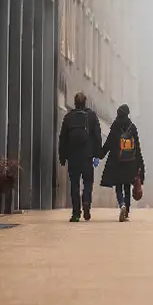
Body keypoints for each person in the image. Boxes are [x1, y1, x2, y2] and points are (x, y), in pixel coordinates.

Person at [58, 91, 102, 223]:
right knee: (88, 182)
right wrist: (97, 155)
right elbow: (97, 137)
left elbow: (63, 139)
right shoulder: (92, 116)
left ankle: (76, 213)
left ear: (75, 103)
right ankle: (87, 201)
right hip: (87, 157)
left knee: (74, 185)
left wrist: (62, 156)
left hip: (73, 157)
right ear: (85, 102)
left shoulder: (68, 117)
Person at [100, 103, 146, 222]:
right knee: (127, 186)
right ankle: (127, 211)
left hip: (117, 161)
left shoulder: (115, 126)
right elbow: (137, 148)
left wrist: (100, 154)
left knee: (118, 185)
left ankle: (122, 205)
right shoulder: (132, 127)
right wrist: (141, 165)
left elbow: (109, 143)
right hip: (130, 162)